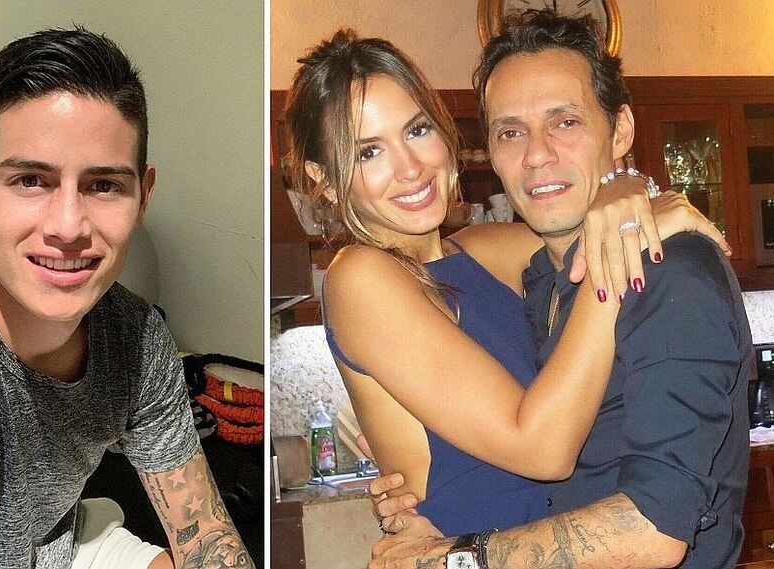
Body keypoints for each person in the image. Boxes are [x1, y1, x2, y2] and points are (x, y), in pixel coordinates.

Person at [284, 28, 726, 541]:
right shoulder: (359, 277)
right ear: (324, 179)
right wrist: (617, 244)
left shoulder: (482, 250)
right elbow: (542, 449)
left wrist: (625, 187)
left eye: (417, 130)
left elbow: (577, 224)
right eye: (368, 152)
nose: (410, 168)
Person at [0, 28, 252, 569]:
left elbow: (207, 538)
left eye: (103, 185)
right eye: (31, 180)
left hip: (57, 541)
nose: (68, 226)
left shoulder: (137, 339)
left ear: (143, 195)